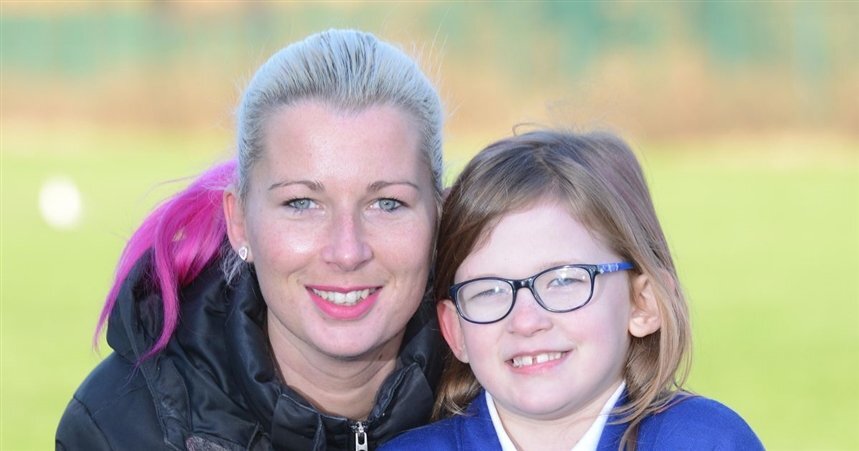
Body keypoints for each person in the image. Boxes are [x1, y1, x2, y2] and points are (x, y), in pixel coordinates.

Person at [56, 29, 446, 450]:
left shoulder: (493, 397)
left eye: (387, 204)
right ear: (239, 221)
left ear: (439, 217)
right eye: (302, 203)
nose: (347, 251)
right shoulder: (117, 429)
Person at [381, 130, 764, 450]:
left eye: (563, 280)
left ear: (642, 302)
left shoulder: (709, 441)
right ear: (455, 330)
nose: (526, 321)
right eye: (489, 291)